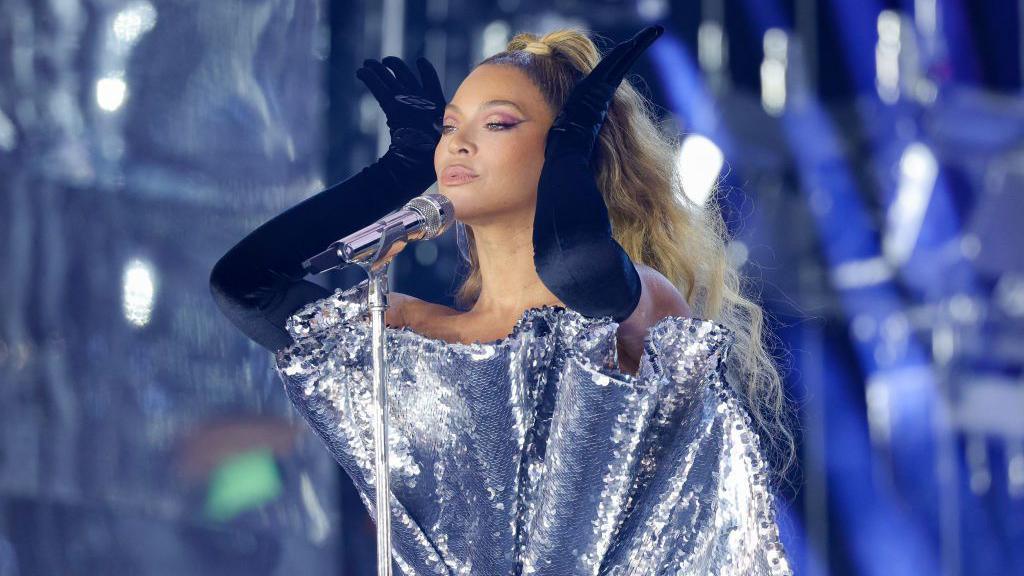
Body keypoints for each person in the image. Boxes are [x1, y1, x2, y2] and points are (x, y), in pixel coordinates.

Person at [211, 25, 795, 575]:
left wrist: (570, 156)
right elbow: (246, 285)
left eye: (498, 124)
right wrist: (398, 171)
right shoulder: (413, 337)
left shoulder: (633, 308)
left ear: (574, 143)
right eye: (447, 128)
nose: (458, 144)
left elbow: (573, 261)